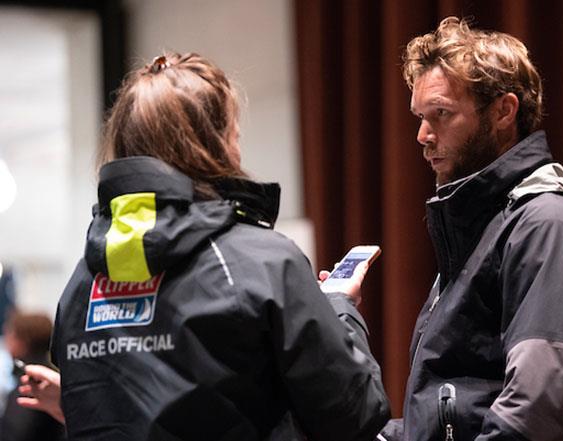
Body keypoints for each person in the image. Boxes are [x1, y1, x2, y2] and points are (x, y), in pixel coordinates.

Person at [45, 52, 390, 440]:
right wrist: (340, 308)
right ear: (214, 146)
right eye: (234, 136)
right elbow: (354, 414)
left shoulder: (81, 282)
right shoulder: (263, 262)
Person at [377, 17, 563, 441]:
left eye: (441, 114)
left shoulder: (549, 224)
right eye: (420, 116)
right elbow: (456, 409)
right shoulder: (484, 224)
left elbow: (534, 411)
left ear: (504, 111)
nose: (422, 135)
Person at [0, 311, 64, 440]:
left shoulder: (31, 381)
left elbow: (14, 434)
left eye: (9, 334)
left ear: (23, 341)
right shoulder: (53, 373)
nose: (6, 341)